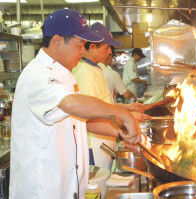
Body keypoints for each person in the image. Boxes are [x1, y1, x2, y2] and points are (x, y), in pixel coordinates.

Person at [10, 9, 141, 199]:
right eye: (80, 44)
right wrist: (121, 114)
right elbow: (71, 105)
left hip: (66, 185)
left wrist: (120, 134)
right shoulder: (38, 75)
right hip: (43, 189)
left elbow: (79, 120)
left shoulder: (64, 74)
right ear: (57, 40)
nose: (83, 50)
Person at [72, 22, 151, 169]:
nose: (110, 52)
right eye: (107, 47)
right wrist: (124, 128)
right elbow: (88, 119)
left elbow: (103, 106)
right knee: (97, 189)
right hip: (94, 146)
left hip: (104, 142)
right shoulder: (85, 73)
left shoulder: (96, 68)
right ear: (93, 46)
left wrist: (128, 108)